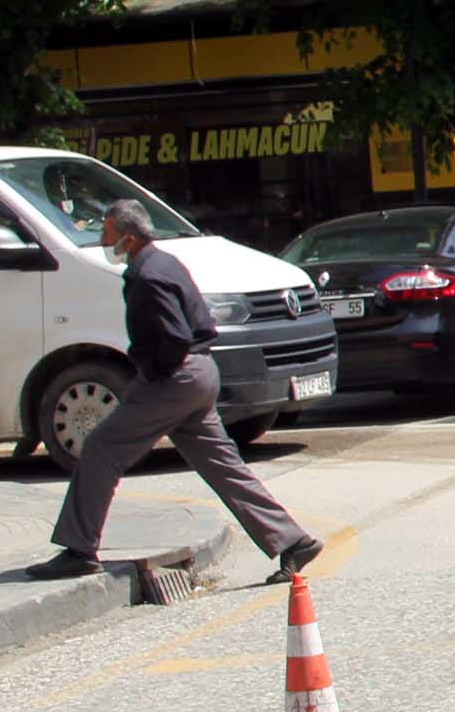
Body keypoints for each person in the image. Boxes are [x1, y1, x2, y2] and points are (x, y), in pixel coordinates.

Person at [25, 201, 323, 582]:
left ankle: (79, 549)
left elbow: (176, 337)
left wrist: (155, 375)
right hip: (198, 375)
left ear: (129, 239)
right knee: (223, 467)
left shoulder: (148, 276)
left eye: (108, 234)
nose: (102, 240)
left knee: (100, 448)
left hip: (177, 379)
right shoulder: (165, 263)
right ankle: (294, 542)